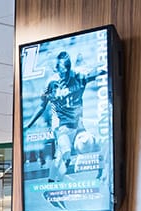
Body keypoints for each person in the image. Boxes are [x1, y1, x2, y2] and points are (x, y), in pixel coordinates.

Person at [25, 50, 107, 191]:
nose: (62, 74)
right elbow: (41, 106)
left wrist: (105, 68)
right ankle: (55, 187)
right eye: (60, 71)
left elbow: (96, 73)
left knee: (67, 154)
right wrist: (28, 125)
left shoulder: (79, 77)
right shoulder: (51, 83)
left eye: (65, 71)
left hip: (76, 122)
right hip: (59, 124)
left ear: (69, 68)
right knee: (66, 153)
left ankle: (52, 186)